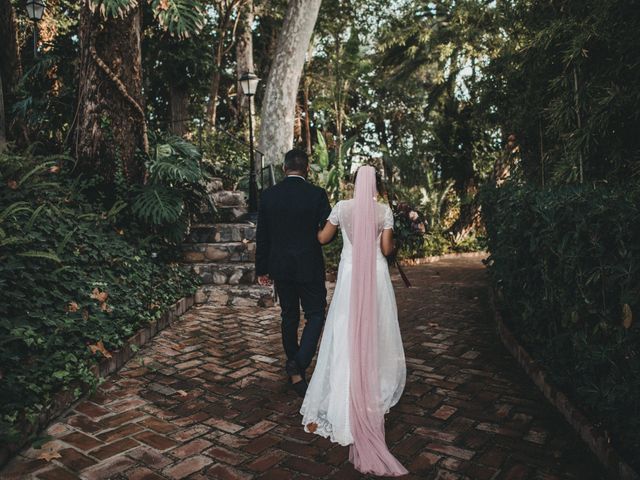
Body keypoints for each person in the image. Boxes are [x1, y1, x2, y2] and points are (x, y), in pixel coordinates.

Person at [300, 165, 408, 477]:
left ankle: (342, 390)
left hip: (349, 276)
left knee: (345, 330)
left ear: (354, 183)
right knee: (373, 330)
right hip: (374, 276)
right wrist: (393, 241)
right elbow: (386, 250)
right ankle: (370, 384)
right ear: (375, 184)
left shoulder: (342, 208)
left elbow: (322, 238)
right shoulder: (384, 210)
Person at [255, 149, 331, 398]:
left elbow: (262, 236)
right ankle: (298, 364)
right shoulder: (317, 194)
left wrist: (262, 269)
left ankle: (295, 368)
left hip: (281, 267)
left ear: (284, 168)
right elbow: (326, 235)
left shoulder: (269, 196)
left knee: (289, 316)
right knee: (316, 314)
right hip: (309, 266)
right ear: (306, 169)